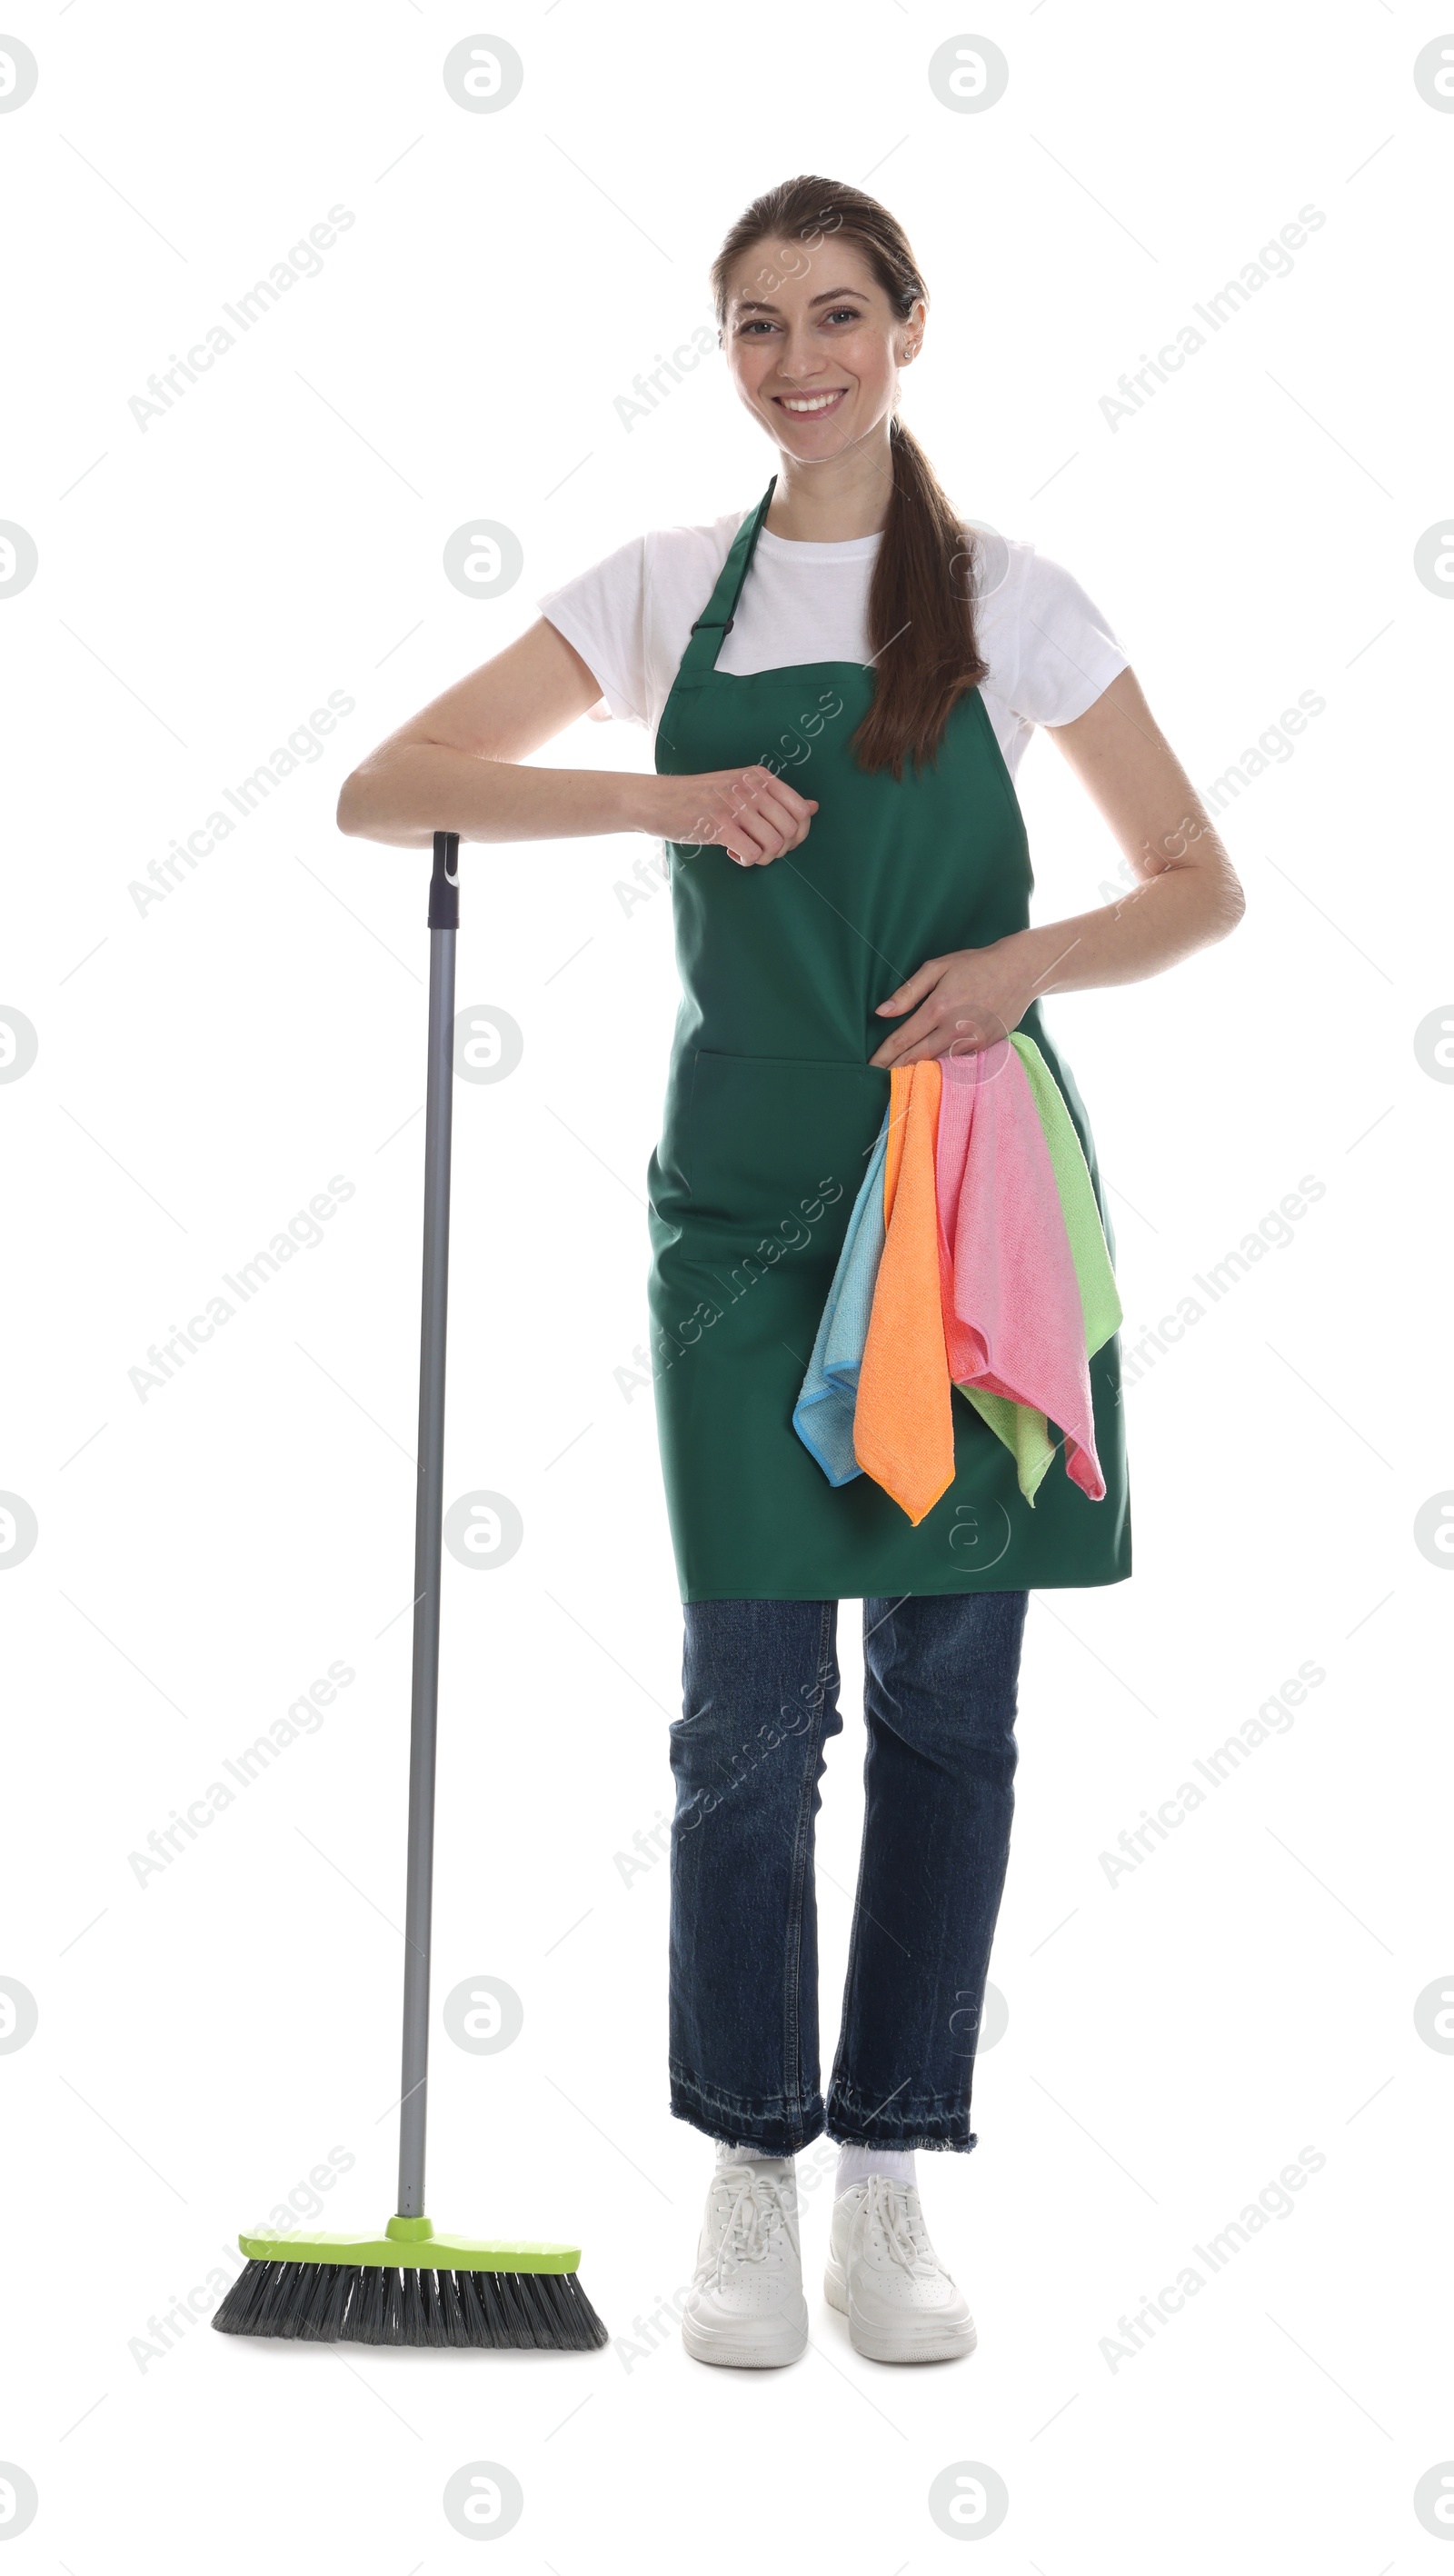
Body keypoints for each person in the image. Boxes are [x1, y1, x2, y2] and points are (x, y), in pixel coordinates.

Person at [337, 172, 1245, 2373]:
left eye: (835, 314)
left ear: (908, 326)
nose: (795, 358)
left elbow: (1195, 883)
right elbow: (390, 784)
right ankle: (746, 2157)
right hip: (741, 1207)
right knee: (748, 1710)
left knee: (948, 1696)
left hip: (961, 1198)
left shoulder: (1017, 603)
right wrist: (661, 803)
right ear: (723, 346)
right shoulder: (659, 592)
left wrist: (1023, 961)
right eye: (754, 323)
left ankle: (887, 2165)